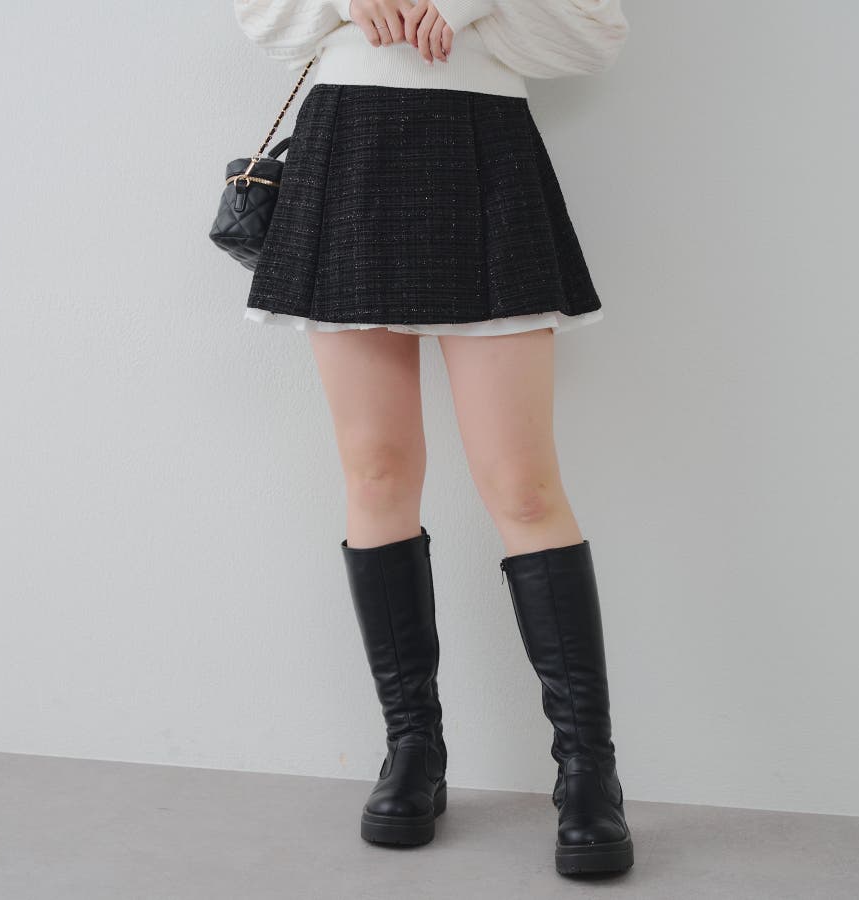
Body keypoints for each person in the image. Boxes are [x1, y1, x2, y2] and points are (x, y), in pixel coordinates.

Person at [233, 0, 633, 876]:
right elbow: (264, 17)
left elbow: (594, 33)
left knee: (524, 486)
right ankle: (413, 749)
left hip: (486, 147)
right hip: (348, 143)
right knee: (376, 472)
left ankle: (588, 772)